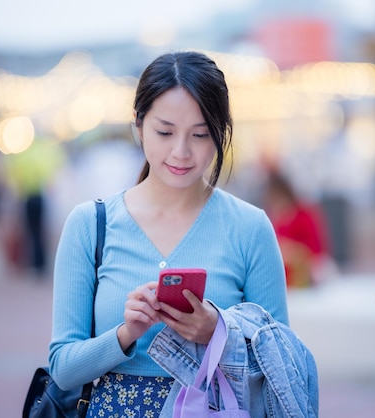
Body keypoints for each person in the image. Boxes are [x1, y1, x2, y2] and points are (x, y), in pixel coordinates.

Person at [48, 51, 289, 417]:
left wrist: (217, 334)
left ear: (221, 132)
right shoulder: (89, 225)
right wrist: (125, 333)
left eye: (200, 134)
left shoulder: (249, 227)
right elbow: (63, 369)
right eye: (164, 132)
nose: (181, 152)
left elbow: (281, 368)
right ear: (138, 124)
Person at [263, 169, 334, 287]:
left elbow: (318, 248)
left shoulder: (305, 215)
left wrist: (294, 251)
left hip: (309, 271)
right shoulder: (272, 220)